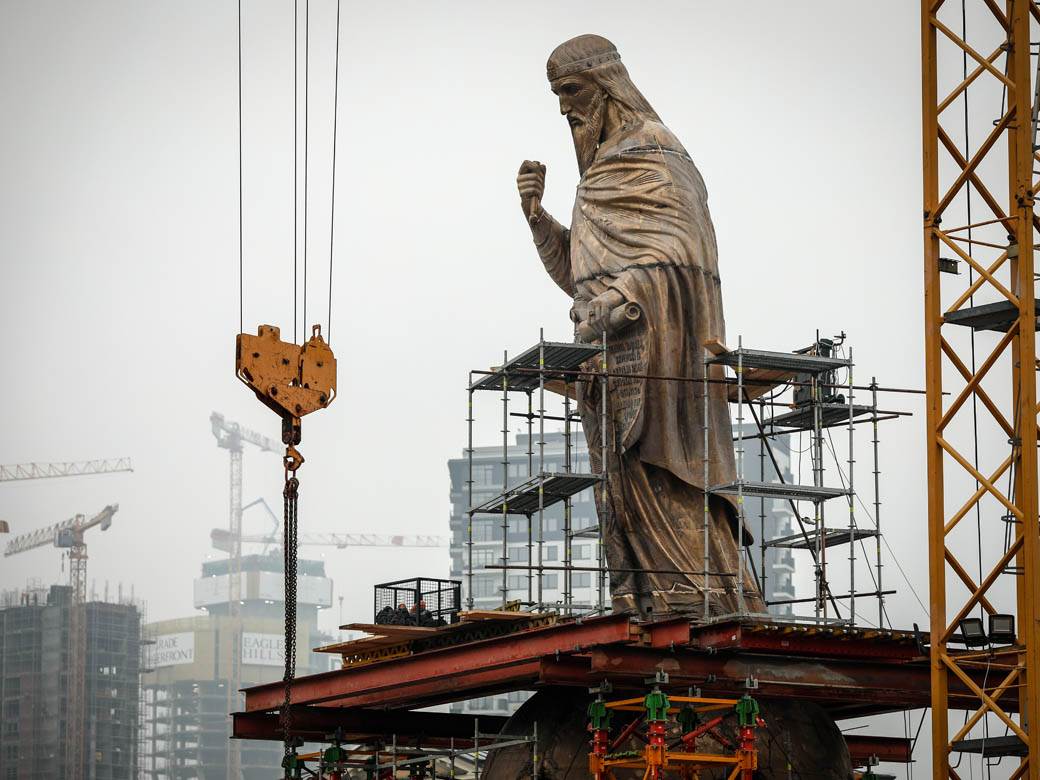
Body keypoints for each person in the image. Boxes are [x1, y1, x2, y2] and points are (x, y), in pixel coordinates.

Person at [517, 34, 763, 618]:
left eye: (571, 92)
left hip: (660, 363)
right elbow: (584, 270)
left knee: (664, 479)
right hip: (608, 363)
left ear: (606, 86)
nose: (564, 109)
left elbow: (679, 253)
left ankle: (696, 592)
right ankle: (642, 593)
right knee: (618, 486)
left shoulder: (653, 151)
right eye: (556, 96)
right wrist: (537, 218)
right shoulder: (599, 174)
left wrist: (624, 297)